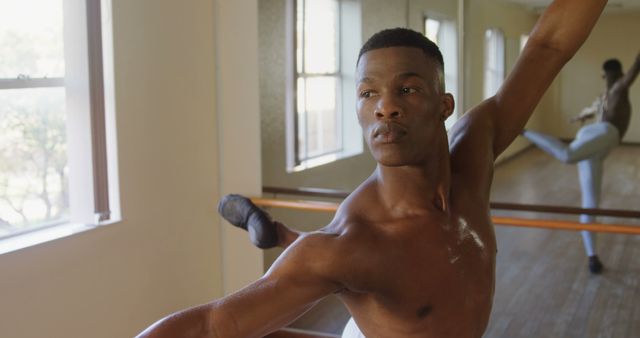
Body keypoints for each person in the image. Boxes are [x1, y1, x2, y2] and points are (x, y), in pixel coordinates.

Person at [137, 1, 607, 337]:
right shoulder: (349, 246)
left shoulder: (476, 150)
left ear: (444, 105)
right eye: (368, 94)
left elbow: (547, 45)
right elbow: (211, 326)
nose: (385, 107)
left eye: (407, 89)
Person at [522, 52, 640, 274]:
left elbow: (592, 109)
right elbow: (631, 75)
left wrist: (580, 118)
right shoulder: (617, 89)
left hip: (594, 139)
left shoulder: (608, 92)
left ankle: (592, 256)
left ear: (606, 76)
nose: (612, 78)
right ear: (610, 76)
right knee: (567, 155)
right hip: (605, 134)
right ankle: (524, 131)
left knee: (590, 202)